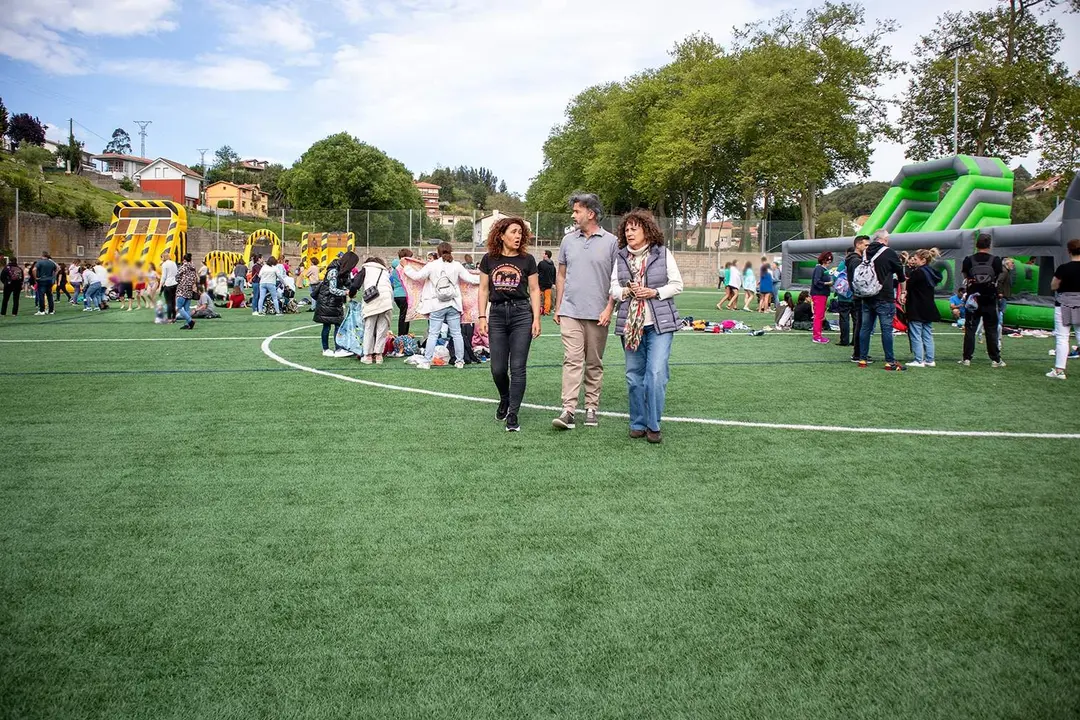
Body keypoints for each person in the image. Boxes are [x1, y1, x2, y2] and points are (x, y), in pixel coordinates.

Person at [609, 209, 683, 444]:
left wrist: (654, 292)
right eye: (627, 229)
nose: (629, 233)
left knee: (655, 374)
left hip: (659, 325)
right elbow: (613, 289)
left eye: (634, 228)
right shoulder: (621, 256)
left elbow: (677, 285)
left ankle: (653, 424)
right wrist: (627, 291)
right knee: (634, 377)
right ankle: (637, 423)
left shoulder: (663, 253)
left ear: (646, 230)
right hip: (631, 326)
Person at [552, 192, 618, 430]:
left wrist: (610, 307)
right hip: (570, 311)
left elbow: (616, 278)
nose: (573, 215)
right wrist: (558, 306)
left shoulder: (612, 242)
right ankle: (568, 409)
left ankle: (591, 407)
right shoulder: (568, 241)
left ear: (590, 214)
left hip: (598, 313)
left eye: (577, 211)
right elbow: (561, 274)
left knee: (594, 362)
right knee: (572, 360)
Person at [477, 217, 541, 432]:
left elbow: (534, 290)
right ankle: (504, 397)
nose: (518, 236)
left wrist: (537, 319)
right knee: (497, 368)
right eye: (513, 232)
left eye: (520, 233)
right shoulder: (489, 259)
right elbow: (484, 289)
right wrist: (481, 317)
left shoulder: (528, 260)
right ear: (501, 235)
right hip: (496, 314)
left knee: (518, 367)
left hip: (522, 314)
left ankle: (513, 413)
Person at [403, 242, 479, 370]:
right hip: (453, 304)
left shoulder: (432, 265)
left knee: (433, 333)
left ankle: (427, 361)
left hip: (436, 304)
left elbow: (417, 277)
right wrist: (486, 277)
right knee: (457, 334)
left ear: (437, 252)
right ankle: (459, 361)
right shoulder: (457, 266)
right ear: (451, 251)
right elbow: (471, 279)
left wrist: (406, 267)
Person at [856, 229, 906, 371]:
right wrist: (904, 292)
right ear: (883, 239)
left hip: (867, 295)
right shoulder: (888, 252)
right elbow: (900, 274)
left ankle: (862, 359)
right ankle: (889, 361)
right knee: (886, 329)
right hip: (884, 295)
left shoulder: (866, 252)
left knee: (865, 328)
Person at [959, 233, 1005, 368]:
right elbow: (997, 277)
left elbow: (966, 276)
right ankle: (995, 359)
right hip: (990, 298)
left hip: (973, 299)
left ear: (976, 244)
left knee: (970, 329)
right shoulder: (995, 260)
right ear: (989, 245)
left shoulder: (968, 260)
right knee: (991, 329)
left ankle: (967, 358)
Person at [1047, 238, 1080, 380]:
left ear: (1069, 251)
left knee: (1062, 337)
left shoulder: (1063, 268)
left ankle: (1059, 371)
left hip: (1064, 304)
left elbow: (1054, 285)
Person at [351, 256, 394, 364]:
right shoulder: (385, 271)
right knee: (382, 329)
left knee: (369, 328)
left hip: (372, 301)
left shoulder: (366, 269)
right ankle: (379, 355)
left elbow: (355, 284)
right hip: (386, 301)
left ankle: (368, 355)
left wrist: (351, 294)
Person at [314, 251, 358, 357]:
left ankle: (336, 349)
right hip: (327, 301)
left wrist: (353, 288)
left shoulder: (343, 271)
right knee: (328, 325)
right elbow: (332, 289)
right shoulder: (333, 271)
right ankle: (330, 349)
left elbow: (348, 284)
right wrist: (346, 292)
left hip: (335, 302)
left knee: (336, 325)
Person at [904, 248, 942, 367]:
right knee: (927, 334)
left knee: (915, 333)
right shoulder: (932, 272)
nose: (913, 261)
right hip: (929, 307)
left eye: (915, 259)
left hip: (916, 307)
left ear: (923, 260)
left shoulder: (918, 273)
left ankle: (918, 360)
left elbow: (908, 285)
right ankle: (930, 359)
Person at [845, 235, 870, 361]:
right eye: (866, 245)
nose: (868, 248)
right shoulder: (856, 261)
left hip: (857, 295)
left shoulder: (855, 259)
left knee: (859, 324)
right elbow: (859, 280)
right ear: (858, 245)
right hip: (859, 296)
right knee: (860, 325)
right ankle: (858, 353)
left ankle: (860, 352)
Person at [810, 252, 833, 343]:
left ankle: (818, 335)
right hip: (819, 294)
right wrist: (828, 283)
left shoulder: (823, 269)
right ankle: (817, 336)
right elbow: (817, 281)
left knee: (820, 316)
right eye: (827, 260)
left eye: (830, 260)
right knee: (818, 316)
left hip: (822, 294)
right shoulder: (819, 268)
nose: (828, 262)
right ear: (823, 259)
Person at [390, 249, 412, 335]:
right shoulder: (404, 267)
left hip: (396, 294)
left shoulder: (395, 267)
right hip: (404, 294)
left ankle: (403, 335)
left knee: (404, 316)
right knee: (404, 317)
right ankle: (402, 336)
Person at [175, 253, 198, 330]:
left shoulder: (183, 267)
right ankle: (188, 325)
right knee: (187, 308)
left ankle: (190, 321)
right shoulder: (193, 267)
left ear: (184, 259)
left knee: (179, 307)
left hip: (182, 288)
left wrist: (180, 281)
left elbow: (177, 276)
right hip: (189, 288)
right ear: (191, 259)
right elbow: (195, 277)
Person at [160, 251, 178, 322]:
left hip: (168, 284)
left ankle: (169, 318)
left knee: (168, 302)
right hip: (175, 283)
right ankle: (174, 317)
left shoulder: (164, 264)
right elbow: (177, 273)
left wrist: (160, 286)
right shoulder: (173, 263)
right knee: (173, 301)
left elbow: (163, 276)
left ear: (163, 257)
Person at [538, 249, 556, 316]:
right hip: (549, 284)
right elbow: (554, 275)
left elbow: (537, 273)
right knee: (547, 298)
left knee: (539, 298)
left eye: (543, 253)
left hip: (541, 283)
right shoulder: (552, 265)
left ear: (546, 255)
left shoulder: (541, 263)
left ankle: (539, 310)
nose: (542, 255)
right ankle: (546, 311)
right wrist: (553, 283)